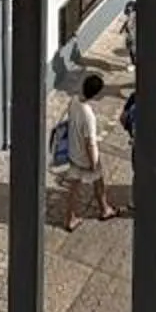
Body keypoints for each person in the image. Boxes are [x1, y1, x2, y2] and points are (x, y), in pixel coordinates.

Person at [60, 72, 114, 228]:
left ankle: (70, 217)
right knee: (98, 181)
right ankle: (105, 209)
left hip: (73, 152)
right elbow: (90, 142)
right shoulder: (88, 115)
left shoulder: (74, 101)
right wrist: (93, 162)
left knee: (74, 188)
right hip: (85, 157)